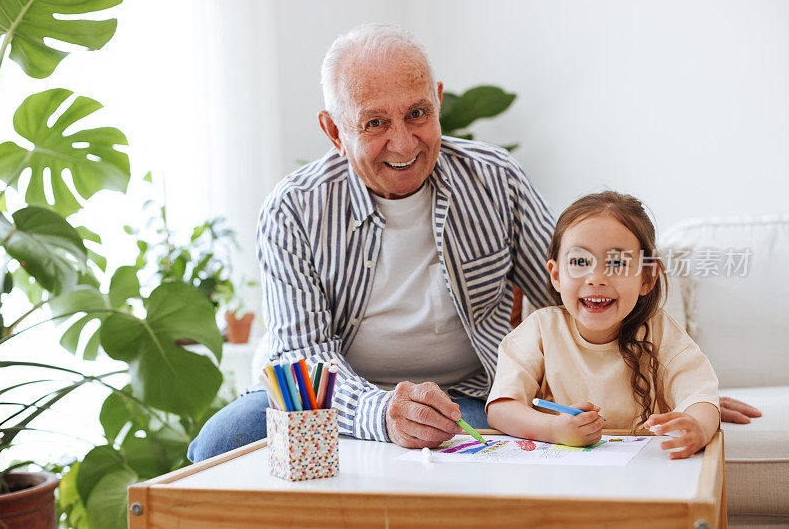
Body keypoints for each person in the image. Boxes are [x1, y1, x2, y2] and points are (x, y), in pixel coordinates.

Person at [187, 24, 759, 463]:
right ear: (334, 131)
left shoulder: (495, 178)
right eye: (373, 124)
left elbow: (576, 295)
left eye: (418, 113)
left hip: (466, 395)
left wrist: (675, 392)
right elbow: (301, 359)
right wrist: (382, 412)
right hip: (343, 401)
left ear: (437, 100)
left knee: (502, 453)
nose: (403, 142)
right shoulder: (292, 209)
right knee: (220, 440)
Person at [487, 191, 719, 458]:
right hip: (561, 470)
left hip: (644, 470)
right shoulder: (540, 329)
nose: (596, 278)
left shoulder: (660, 331)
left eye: (617, 263)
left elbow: (701, 396)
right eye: (579, 261)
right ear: (557, 275)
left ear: (647, 277)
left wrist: (699, 427)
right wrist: (554, 429)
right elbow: (501, 408)